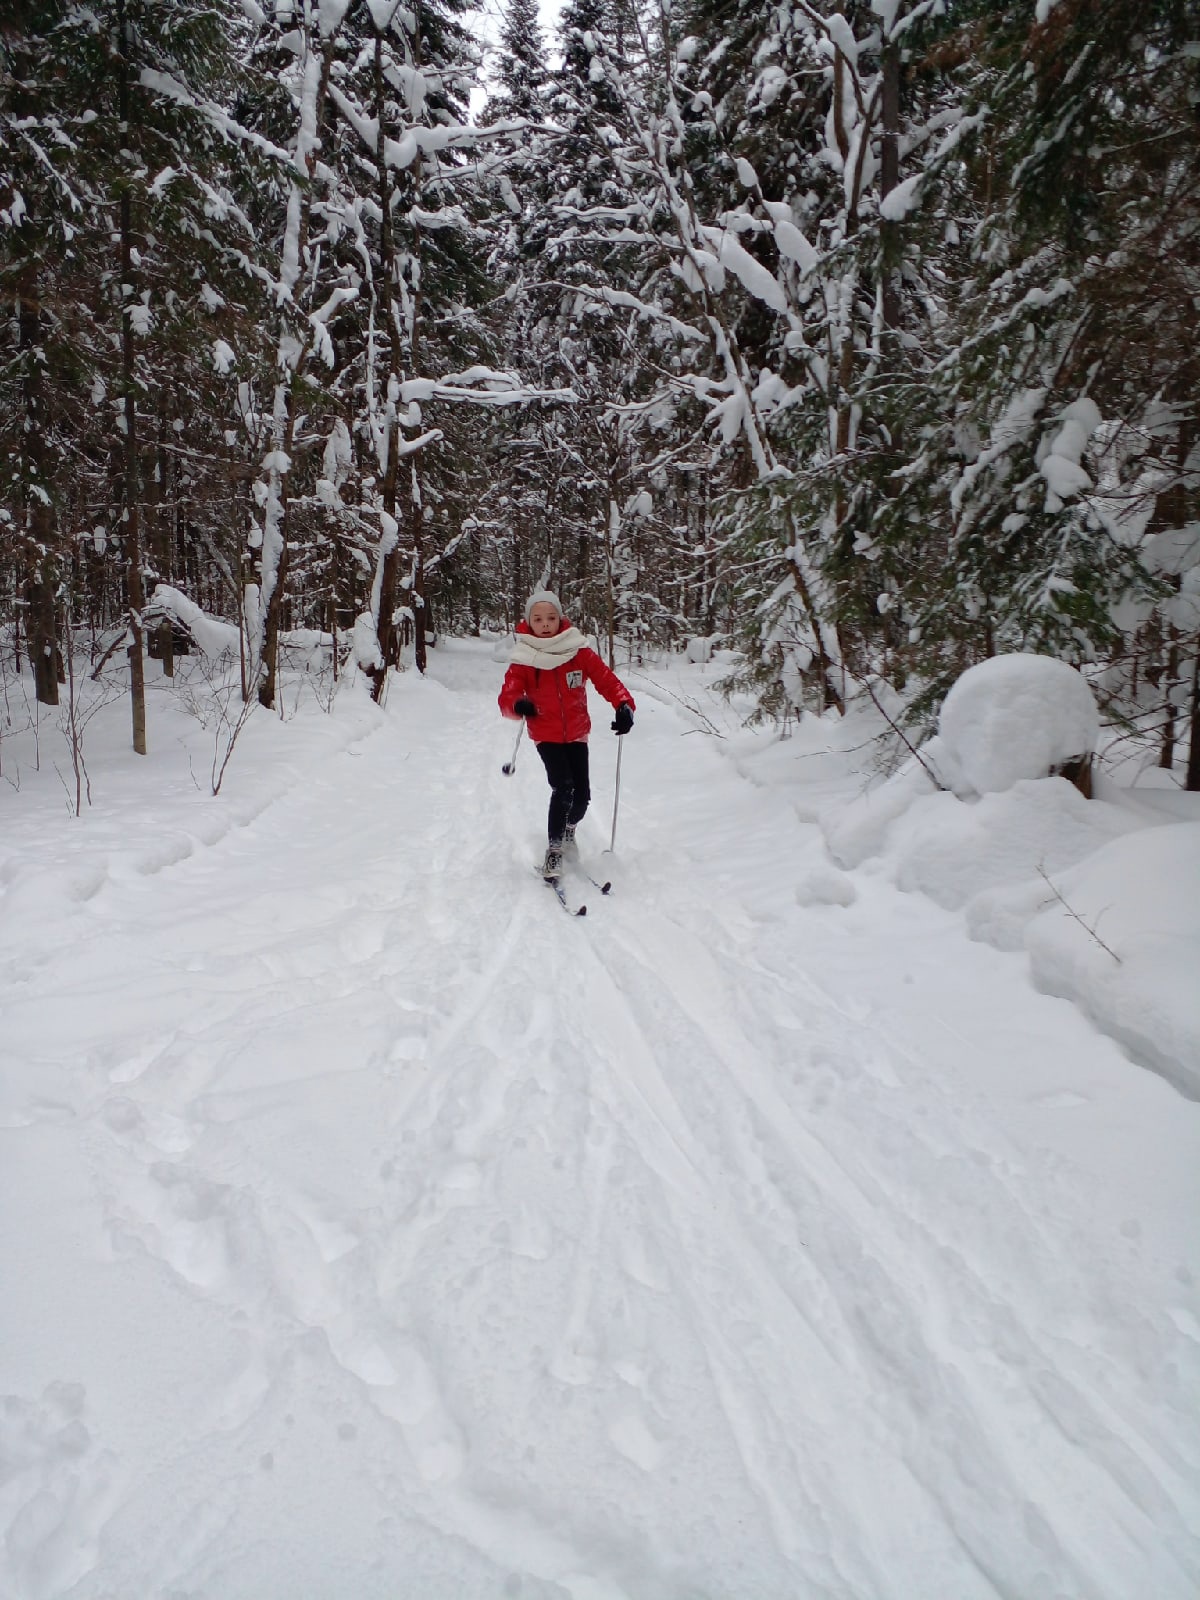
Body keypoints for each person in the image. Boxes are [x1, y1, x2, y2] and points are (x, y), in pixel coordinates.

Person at [498, 589, 635, 879]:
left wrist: (624, 705)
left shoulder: (577, 650)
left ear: (560, 619)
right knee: (563, 787)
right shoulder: (525, 656)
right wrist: (517, 704)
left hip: (576, 733)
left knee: (582, 796)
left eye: (550, 617)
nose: (544, 623)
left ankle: (569, 828)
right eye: (538, 619)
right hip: (545, 733)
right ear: (528, 622)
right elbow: (508, 694)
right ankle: (554, 850)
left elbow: (606, 680)